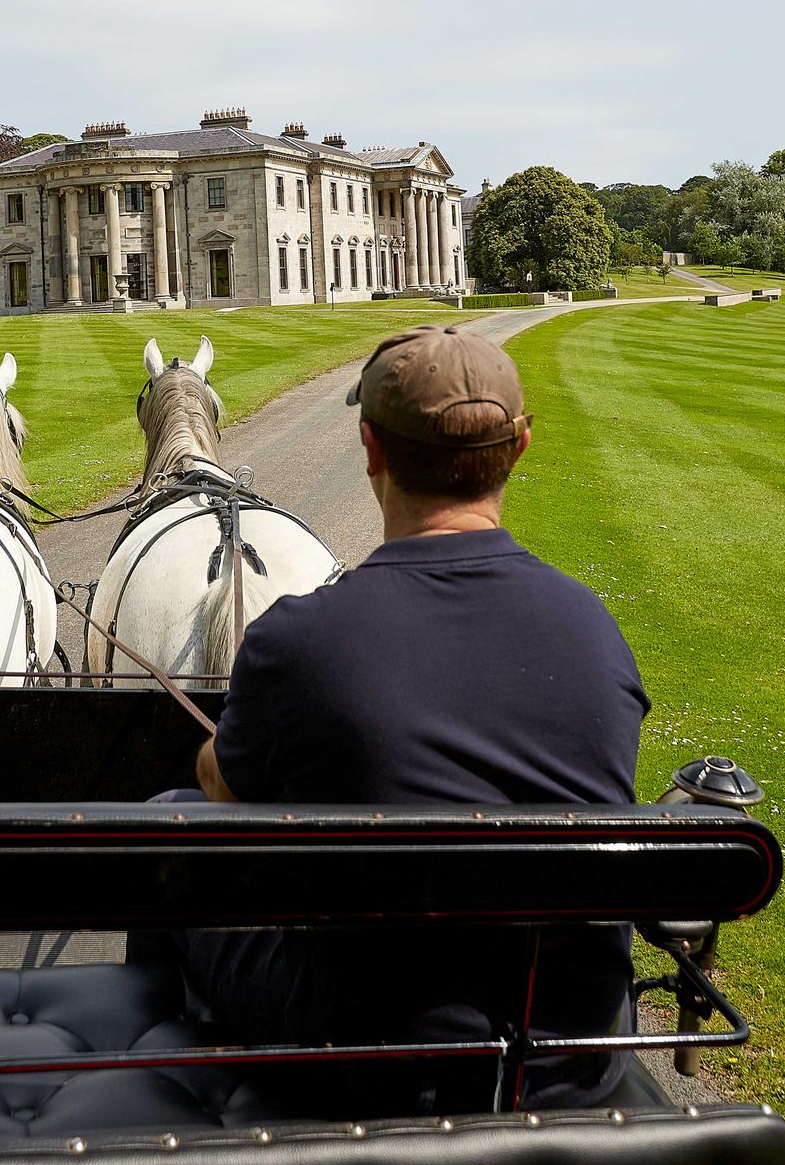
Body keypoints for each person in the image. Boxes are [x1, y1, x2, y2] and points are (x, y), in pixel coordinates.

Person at [168, 325, 651, 1112]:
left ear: (370, 449)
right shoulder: (593, 629)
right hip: (565, 1055)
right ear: (521, 446)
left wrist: (210, 764)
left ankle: (183, 1065)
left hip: (361, 1057)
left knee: (176, 821)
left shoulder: (297, 640)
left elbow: (228, 795)